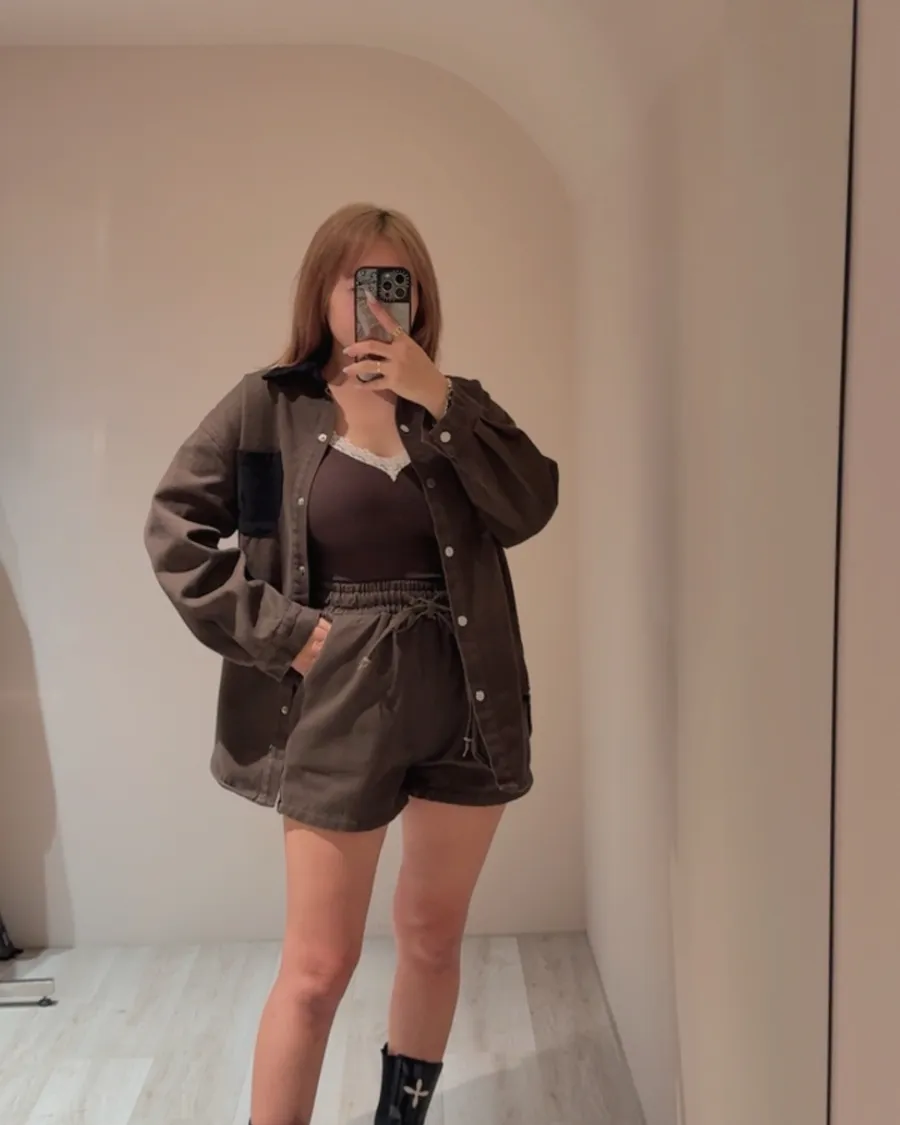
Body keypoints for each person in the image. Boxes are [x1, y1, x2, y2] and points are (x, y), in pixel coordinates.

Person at [143, 203, 559, 1125]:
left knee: (432, 935)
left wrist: (440, 398)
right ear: (323, 292)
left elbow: (530, 505)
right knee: (317, 967)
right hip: (336, 698)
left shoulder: (455, 405)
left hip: (465, 692)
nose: (377, 300)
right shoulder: (270, 406)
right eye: (359, 280)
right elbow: (175, 526)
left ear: (420, 296)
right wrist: (281, 632)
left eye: (396, 282)